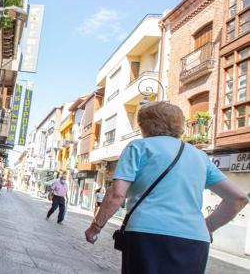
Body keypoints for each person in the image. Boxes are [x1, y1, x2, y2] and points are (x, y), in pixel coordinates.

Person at [84, 102, 248, 274]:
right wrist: (207, 226)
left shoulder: (139, 147)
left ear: (144, 124)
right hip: (194, 240)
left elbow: (117, 194)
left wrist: (96, 227)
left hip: (147, 234)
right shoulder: (200, 156)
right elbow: (238, 198)